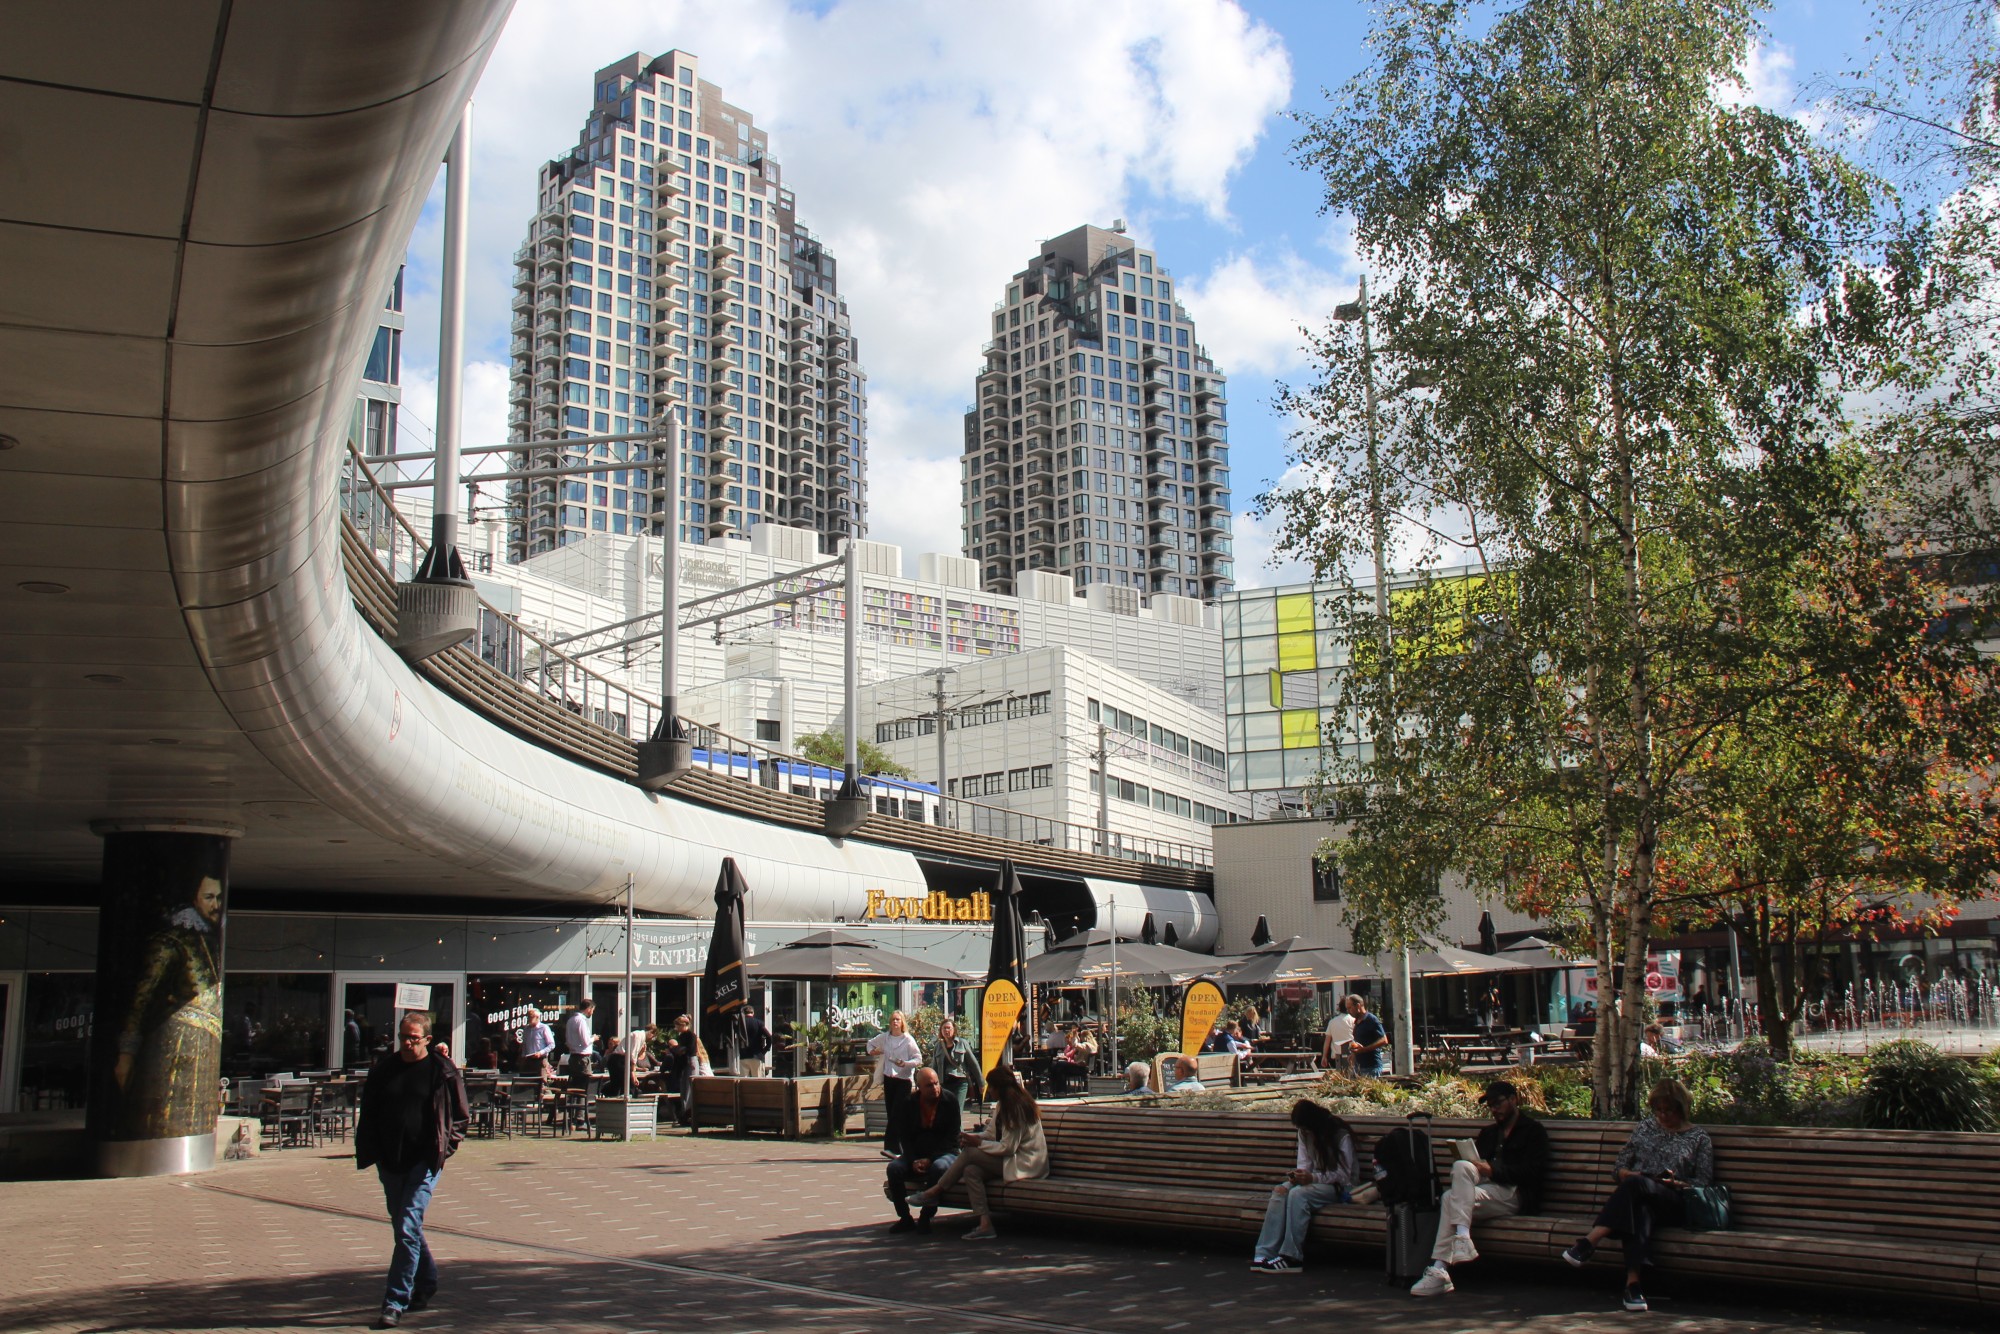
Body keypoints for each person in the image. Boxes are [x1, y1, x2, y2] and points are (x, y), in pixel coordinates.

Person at [354, 1012, 469, 1330]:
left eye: (413, 1038)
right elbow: (370, 1112)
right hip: (391, 1161)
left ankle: (394, 1302)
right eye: (403, 1036)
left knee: (406, 1227)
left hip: (425, 1162)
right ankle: (427, 1280)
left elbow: (460, 1116)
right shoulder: (385, 1070)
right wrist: (373, 1151)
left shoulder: (441, 1070)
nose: (406, 1042)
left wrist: (444, 1148)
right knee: (406, 1228)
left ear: (427, 1040)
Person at [1562, 1078, 1715, 1312]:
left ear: (1681, 1109)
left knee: (1638, 1186)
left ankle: (1589, 1241)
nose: (1663, 1116)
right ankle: (1633, 1287)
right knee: (1639, 1208)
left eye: (1669, 1111)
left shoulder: (1698, 1137)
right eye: (1658, 1110)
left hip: (1675, 1201)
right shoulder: (1646, 1127)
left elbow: (1703, 1182)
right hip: (1640, 1197)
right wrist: (1627, 1173)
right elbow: (1619, 1167)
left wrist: (1676, 1182)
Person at [1411, 1078, 1553, 1296]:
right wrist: (1479, 1167)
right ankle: (1459, 1243)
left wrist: (1494, 1171)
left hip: (1515, 1193)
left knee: (1451, 1198)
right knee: (1458, 1174)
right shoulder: (1488, 1134)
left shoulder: (1533, 1131)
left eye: (1498, 1103)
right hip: (1485, 1191)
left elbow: (1534, 1172)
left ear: (1513, 1100)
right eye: (1491, 1106)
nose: (1494, 1110)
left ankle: (1442, 1268)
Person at [909, 1065, 1048, 1240]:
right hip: (1011, 1160)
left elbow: (1008, 1147)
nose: (989, 1090)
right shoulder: (1002, 1105)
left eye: (991, 1086)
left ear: (999, 1089)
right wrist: (972, 1137)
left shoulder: (1016, 1108)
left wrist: (978, 1143)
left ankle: (933, 1192)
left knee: (970, 1154)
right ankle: (985, 1224)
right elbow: (991, 1134)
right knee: (971, 1171)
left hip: (1026, 1164)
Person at [1251, 1099, 1358, 1273]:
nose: (1304, 1132)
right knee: (1280, 1192)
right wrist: (1296, 1178)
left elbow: (1344, 1176)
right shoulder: (1304, 1133)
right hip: (1314, 1181)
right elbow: (1304, 1164)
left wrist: (1312, 1178)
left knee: (1298, 1195)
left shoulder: (1340, 1135)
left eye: (1306, 1129)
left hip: (1340, 1188)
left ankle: (1292, 1257)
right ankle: (1265, 1253)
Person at [885, 1066, 961, 1234]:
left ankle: (926, 1216)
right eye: (929, 1085)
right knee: (894, 1168)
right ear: (919, 1087)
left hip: (945, 1152)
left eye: (936, 1084)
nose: (934, 1088)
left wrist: (931, 1159)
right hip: (917, 1153)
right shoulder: (909, 1103)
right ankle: (905, 1217)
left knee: (939, 1167)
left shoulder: (950, 1101)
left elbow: (952, 1137)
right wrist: (912, 1160)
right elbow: (904, 1136)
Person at [868, 1010, 923, 1158]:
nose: (895, 1022)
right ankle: (896, 1148)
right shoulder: (885, 1038)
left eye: (898, 1020)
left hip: (903, 1079)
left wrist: (905, 1063)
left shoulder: (908, 1040)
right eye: (893, 1020)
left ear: (902, 1022)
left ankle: (893, 1147)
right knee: (891, 1111)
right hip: (889, 1078)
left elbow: (918, 1059)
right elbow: (870, 1044)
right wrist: (873, 1051)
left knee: (898, 1113)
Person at [929, 1017, 983, 1107]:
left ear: (954, 1030)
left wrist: (980, 1083)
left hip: (960, 1082)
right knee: (946, 1111)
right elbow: (934, 1067)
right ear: (941, 1031)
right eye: (944, 1028)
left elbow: (973, 1064)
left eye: (949, 1028)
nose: (946, 1030)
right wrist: (931, 1084)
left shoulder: (962, 1043)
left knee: (957, 1109)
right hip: (944, 1083)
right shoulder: (938, 1046)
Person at [1346, 995, 1389, 1076]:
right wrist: (1353, 1054)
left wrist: (1364, 1049)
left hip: (1371, 1067)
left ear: (1358, 1006)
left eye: (1350, 1008)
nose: (1348, 1011)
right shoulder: (1357, 1022)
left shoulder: (1371, 1019)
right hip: (1359, 1067)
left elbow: (1384, 1040)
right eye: (1347, 1008)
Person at [1049, 1028, 1089, 1097]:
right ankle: (1057, 1090)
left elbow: (1074, 1052)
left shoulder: (1084, 1046)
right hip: (1076, 1065)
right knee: (1057, 1067)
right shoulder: (1081, 1046)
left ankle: (1058, 1090)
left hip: (1080, 1067)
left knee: (1059, 1066)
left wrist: (1068, 1058)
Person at [1322, 996, 1356, 1072]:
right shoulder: (1354, 1020)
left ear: (1339, 1008)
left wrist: (1324, 1056)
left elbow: (1327, 1041)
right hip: (1352, 1054)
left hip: (1337, 1055)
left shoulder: (1332, 1022)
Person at [517, 1008, 554, 1076]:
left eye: (531, 1017)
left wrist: (540, 1053)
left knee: (540, 1083)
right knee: (525, 1082)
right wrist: (522, 1057)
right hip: (527, 1060)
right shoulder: (526, 1029)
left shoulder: (544, 1028)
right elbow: (524, 1044)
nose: (528, 1019)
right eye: (528, 1016)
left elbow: (551, 1045)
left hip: (540, 1060)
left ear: (537, 1017)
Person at [563, 999, 597, 1072]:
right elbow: (586, 1041)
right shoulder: (581, 1021)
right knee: (583, 1081)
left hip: (573, 1056)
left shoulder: (571, 1020)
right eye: (592, 1010)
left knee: (575, 1081)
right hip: (582, 1058)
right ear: (589, 1009)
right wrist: (593, 1038)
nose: (592, 1013)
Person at [741, 1005, 772, 1077]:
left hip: (743, 1056)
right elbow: (769, 1036)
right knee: (758, 1083)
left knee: (743, 1084)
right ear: (753, 1013)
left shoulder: (740, 1024)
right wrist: (766, 1049)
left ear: (744, 1013)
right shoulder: (759, 1023)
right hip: (757, 1056)